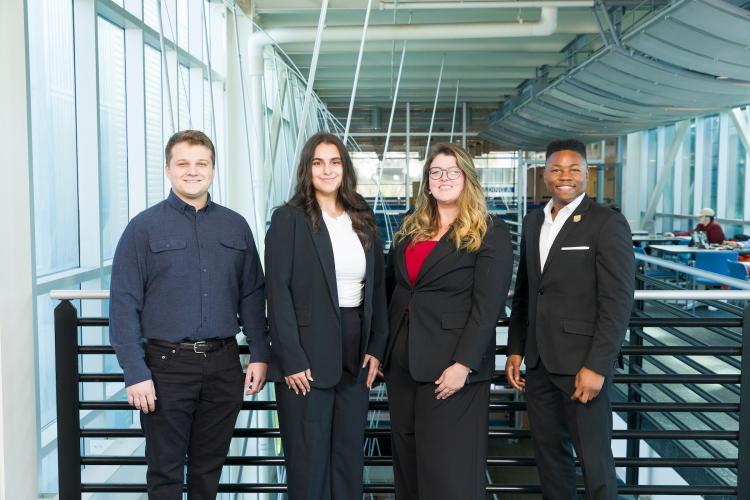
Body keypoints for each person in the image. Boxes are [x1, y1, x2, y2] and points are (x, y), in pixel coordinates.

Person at [109, 130, 270, 499]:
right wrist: (135, 372)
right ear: (168, 169)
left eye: (201, 163)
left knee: (207, 471)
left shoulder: (235, 226)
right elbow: (123, 304)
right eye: (183, 163)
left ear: (213, 169)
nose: (192, 171)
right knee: (164, 473)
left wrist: (260, 353)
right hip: (165, 368)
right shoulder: (142, 228)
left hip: (224, 365)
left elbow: (251, 294)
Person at [384, 143, 513, 499]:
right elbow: (394, 290)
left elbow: (488, 307)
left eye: (452, 171)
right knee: (409, 473)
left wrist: (464, 364)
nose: (443, 178)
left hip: (452, 371)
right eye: (436, 172)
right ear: (426, 182)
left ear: (467, 179)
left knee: (449, 476)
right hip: (404, 365)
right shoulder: (412, 229)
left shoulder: (489, 231)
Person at [506, 139, 634, 500]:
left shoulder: (606, 223)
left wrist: (598, 365)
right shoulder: (533, 221)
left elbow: (618, 300)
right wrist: (516, 348)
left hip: (582, 366)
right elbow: (528, 291)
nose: (565, 176)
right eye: (557, 170)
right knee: (550, 460)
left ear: (586, 175)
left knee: (596, 464)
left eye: (574, 169)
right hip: (539, 363)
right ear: (544, 175)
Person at [265, 132, 389, 499]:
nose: (327, 169)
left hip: (355, 352)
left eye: (335, 162)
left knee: (348, 462)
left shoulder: (362, 217)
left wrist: (376, 346)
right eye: (318, 162)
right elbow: (278, 292)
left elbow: (377, 289)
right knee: (309, 466)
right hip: (306, 355)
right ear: (307, 169)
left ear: (345, 168)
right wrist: (291, 358)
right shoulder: (289, 219)